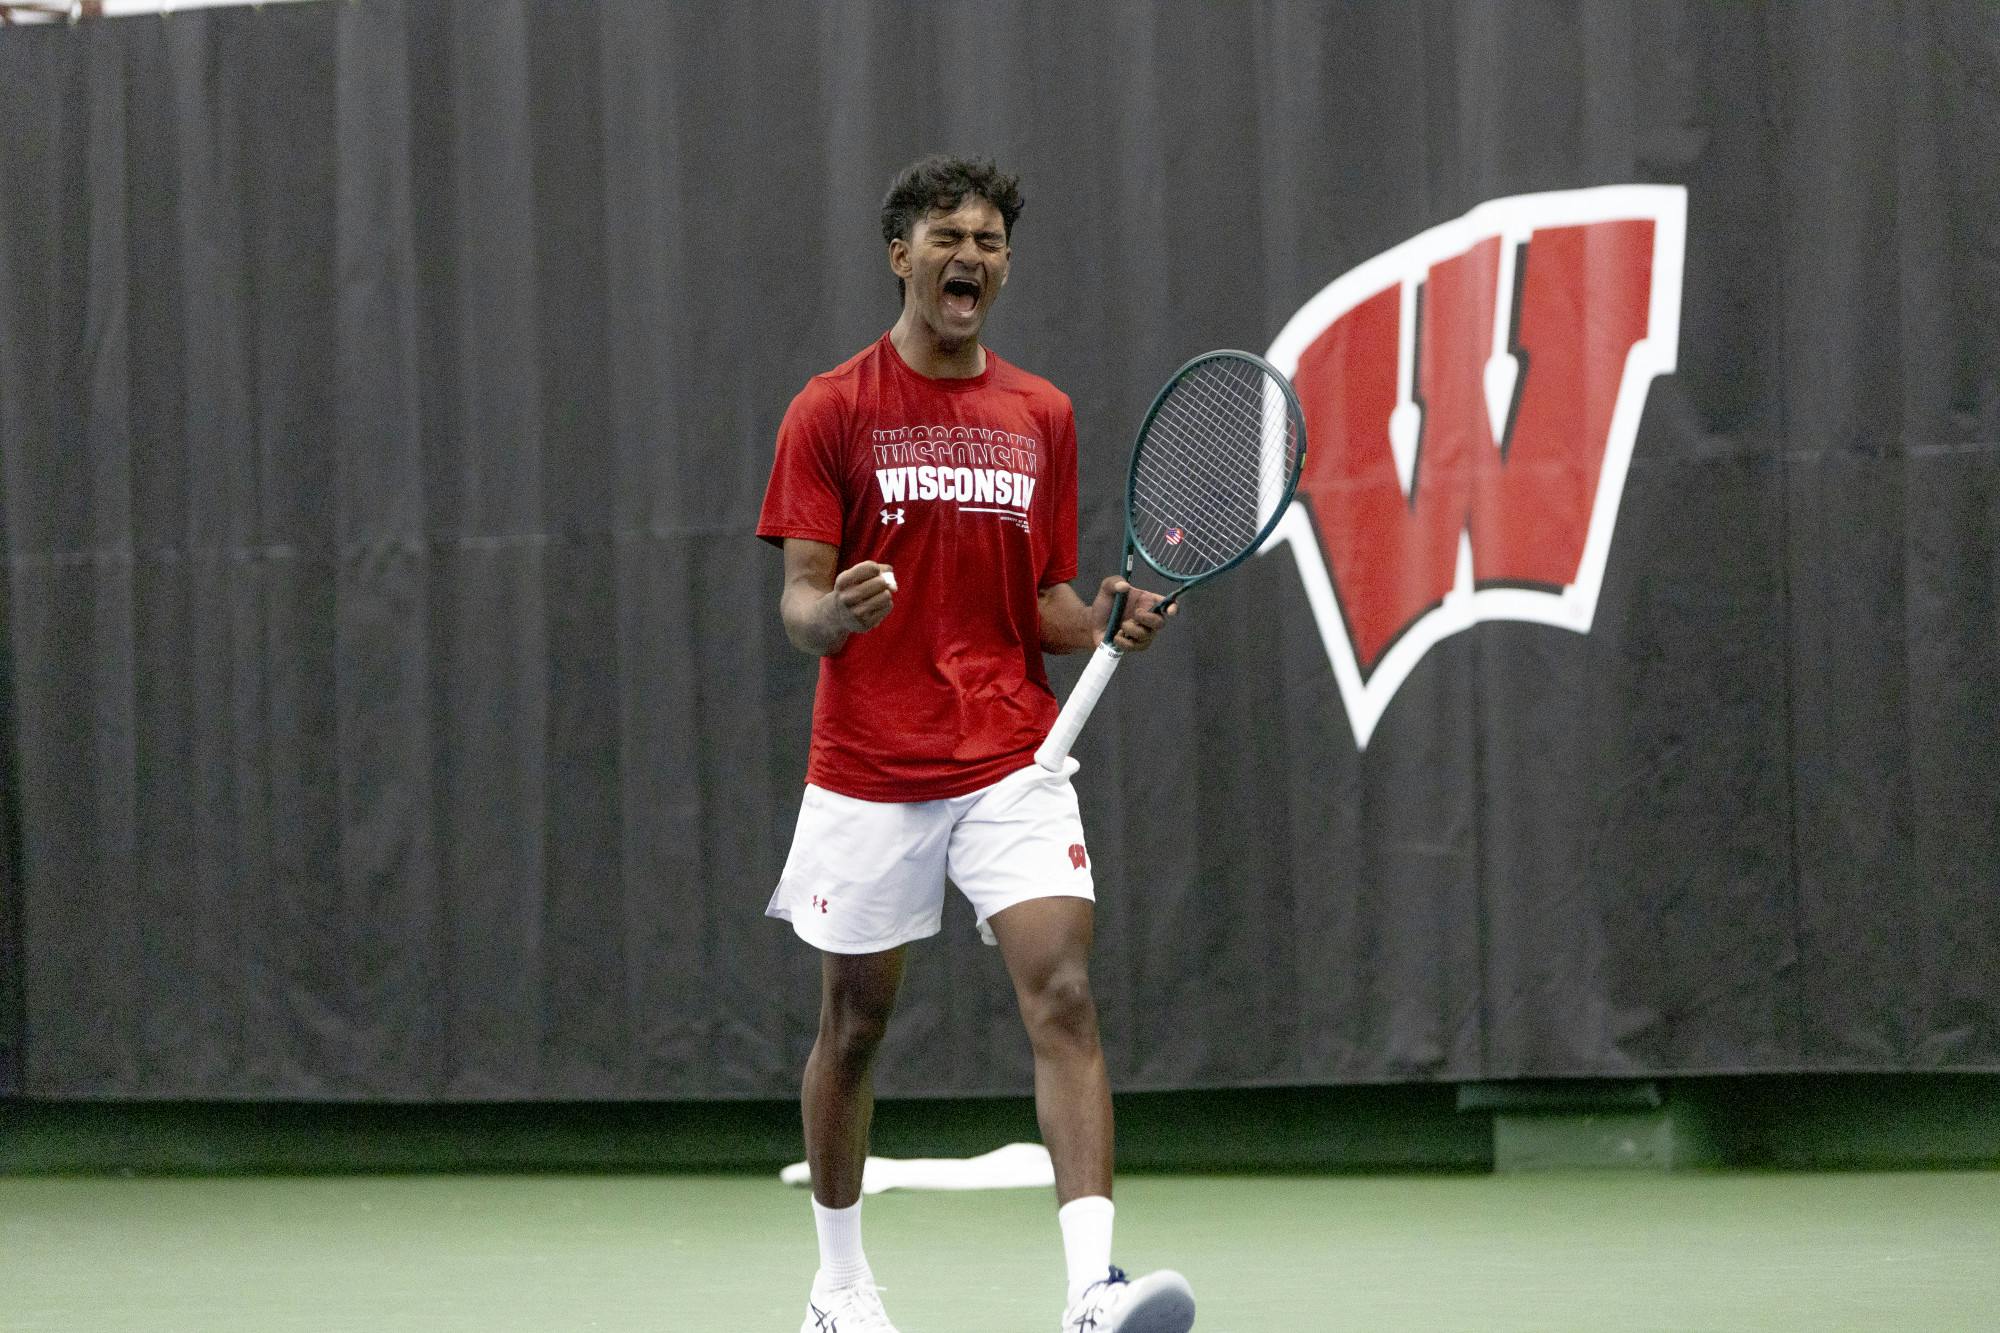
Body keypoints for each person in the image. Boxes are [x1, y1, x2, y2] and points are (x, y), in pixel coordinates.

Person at [757, 155, 1197, 1333]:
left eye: (991, 240)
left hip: (1012, 754)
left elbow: (1042, 607)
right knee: (851, 1024)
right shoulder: (829, 409)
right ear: (898, 255)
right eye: (947, 236)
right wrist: (834, 613)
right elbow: (800, 602)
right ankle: (840, 1287)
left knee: (1062, 993)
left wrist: (1102, 617)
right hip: (868, 765)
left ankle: (1090, 1292)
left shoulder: (1039, 413)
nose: (971, 257)